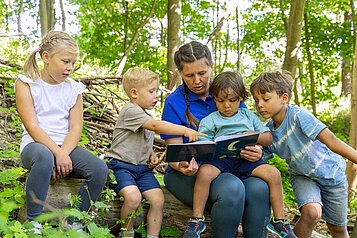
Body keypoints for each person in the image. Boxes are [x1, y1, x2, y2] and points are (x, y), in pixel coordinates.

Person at [161, 41, 271, 238]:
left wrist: (256, 151)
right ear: (180, 73)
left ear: (211, 66)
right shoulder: (174, 103)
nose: (197, 80)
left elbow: (250, 133)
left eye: (202, 73)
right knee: (232, 188)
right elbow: (174, 155)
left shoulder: (228, 91)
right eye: (189, 75)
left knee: (259, 188)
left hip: (234, 165)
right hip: (187, 175)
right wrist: (183, 164)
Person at [15, 31, 108, 232]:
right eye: (66, 61)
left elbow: (75, 127)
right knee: (44, 156)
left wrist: (63, 153)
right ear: (46, 57)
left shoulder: (74, 89)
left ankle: (74, 220)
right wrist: (56, 154)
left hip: (66, 147)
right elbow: (32, 125)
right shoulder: (26, 84)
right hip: (35, 145)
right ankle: (33, 222)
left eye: (73, 63)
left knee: (99, 169)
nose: (70, 67)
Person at [184, 71, 296, 238]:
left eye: (232, 100)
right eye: (220, 101)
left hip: (246, 159)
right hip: (222, 161)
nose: (227, 105)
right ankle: (196, 220)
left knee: (273, 174)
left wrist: (254, 135)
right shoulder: (211, 120)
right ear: (214, 99)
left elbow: (268, 138)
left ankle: (279, 221)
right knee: (205, 172)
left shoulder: (248, 116)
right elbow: (203, 146)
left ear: (241, 99)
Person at [250, 70, 357, 238]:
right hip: (303, 176)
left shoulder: (298, 116)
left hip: (332, 175)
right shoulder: (268, 132)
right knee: (311, 213)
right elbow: (260, 156)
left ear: (284, 98)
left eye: (266, 99)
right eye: (256, 101)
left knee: (337, 229)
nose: (260, 105)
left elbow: (331, 140)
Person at [105, 67, 205, 238]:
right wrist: (184, 130)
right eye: (151, 91)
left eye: (157, 90)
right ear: (134, 93)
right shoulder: (130, 110)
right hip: (121, 166)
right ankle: (126, 233)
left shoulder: (143, 115)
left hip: (141, 169)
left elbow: (141, 138)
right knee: (133, 198)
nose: (156, 95)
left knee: (158, 199)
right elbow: (155, 126)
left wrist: (150, 154)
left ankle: (153, 235)